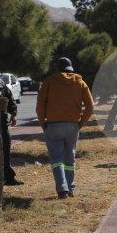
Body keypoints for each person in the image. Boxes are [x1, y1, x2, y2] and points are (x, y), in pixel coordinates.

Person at [36, 57, 94, 199]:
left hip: (53, 125)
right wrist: (81, 122)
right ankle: (71, 187)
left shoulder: (49, 82)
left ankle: (62, 189)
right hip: (73, 125)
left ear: (57, 68)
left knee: (57, 159)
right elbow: (90, 106)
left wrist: (43, 123)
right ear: (70, 68)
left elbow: (40, 106)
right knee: (70, 158)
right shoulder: (80, 82)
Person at [0, 77, 23, 186]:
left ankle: (8, 177)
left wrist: (13, 114)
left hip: (2, 124)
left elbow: (9, 98)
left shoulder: (0, 82)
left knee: (5, 151)